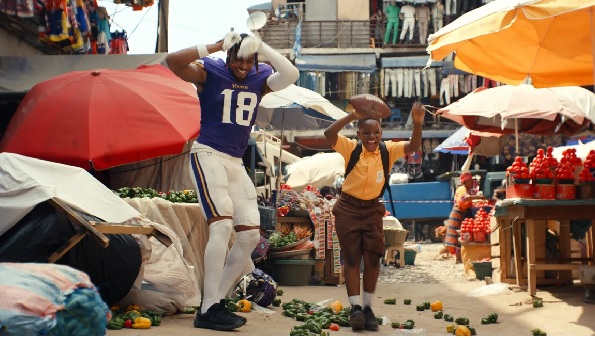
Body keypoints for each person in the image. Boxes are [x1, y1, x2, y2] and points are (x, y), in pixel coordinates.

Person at [166, 32, 299, 331]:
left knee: (250, 235)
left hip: (235, 162)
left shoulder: (259, 75)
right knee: (222, 225)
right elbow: (173, 61)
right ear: (228, 56)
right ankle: (210, 305)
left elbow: (291, 73)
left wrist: (262, 47)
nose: (242, 64)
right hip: (209, 153)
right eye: (237, 58)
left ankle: (215, 302)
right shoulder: (212, 70)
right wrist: (214, 45)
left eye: (248, 59)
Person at [324, 101, 425, 331]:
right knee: (351, 258)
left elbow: (414, 145)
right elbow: (329, 133)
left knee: (372, 257)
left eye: (376, 132)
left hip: (372, 210)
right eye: (366, 133)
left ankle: (368, 308)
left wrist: (417, 124)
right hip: (348, 208)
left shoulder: (388, 150)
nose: (371, 137)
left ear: (382, 133)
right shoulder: (351, 148)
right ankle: (355, 308)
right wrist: (352, 116)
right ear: (359, 134)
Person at [444, 172, 488, 263]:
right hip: (457, 213)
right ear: (466, 181)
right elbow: (464, 199)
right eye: (471, 181)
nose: (472, 183)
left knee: (460, 234)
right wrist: (479, 197)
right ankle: (458, 258)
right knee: (456, 235)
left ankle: (459, 258)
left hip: (461, 213)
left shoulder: (465, 189)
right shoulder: (462, 189)